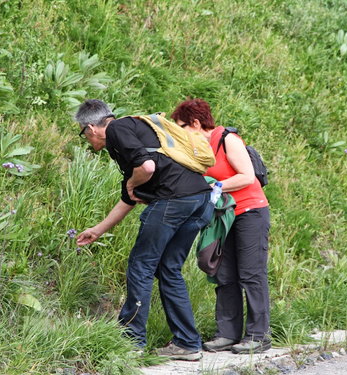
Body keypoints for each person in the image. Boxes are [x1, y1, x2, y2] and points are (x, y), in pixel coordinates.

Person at [74, 99, 214, 361]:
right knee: (168, 268)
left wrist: (133, 182)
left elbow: (146, 168)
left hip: (173, 201)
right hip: (200, 201)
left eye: (84, 135)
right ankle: (187, 343)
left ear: (91, 128)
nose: (87, 141)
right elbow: (131, 196)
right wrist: (98, 230)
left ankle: (131, 340)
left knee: (141, 265)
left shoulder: (117, 130)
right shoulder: (134, 133)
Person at [171, 98, 271, 354]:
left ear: (195, 123)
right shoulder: (197, 148)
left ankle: (259, 336)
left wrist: (213, 187)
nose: (180, 132)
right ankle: (227, 333)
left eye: (181, 126)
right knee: (223, 274)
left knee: (251, 273)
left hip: (250, 211)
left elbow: (246, 176)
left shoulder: (227, 139)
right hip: (222, 215)